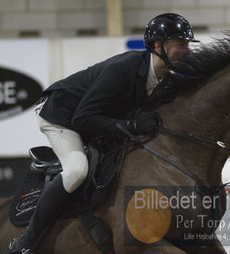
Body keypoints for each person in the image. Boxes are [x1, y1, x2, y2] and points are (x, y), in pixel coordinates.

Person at [8, 13, 199, 254]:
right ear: (159, 45)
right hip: (61, 114)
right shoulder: (123, 69)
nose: (187, 50)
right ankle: (26, 241)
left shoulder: (166, 80)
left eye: (187, 44)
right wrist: (130, 126)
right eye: (181, 44)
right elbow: (83, 118)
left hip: (93, 119)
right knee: (77, 169)